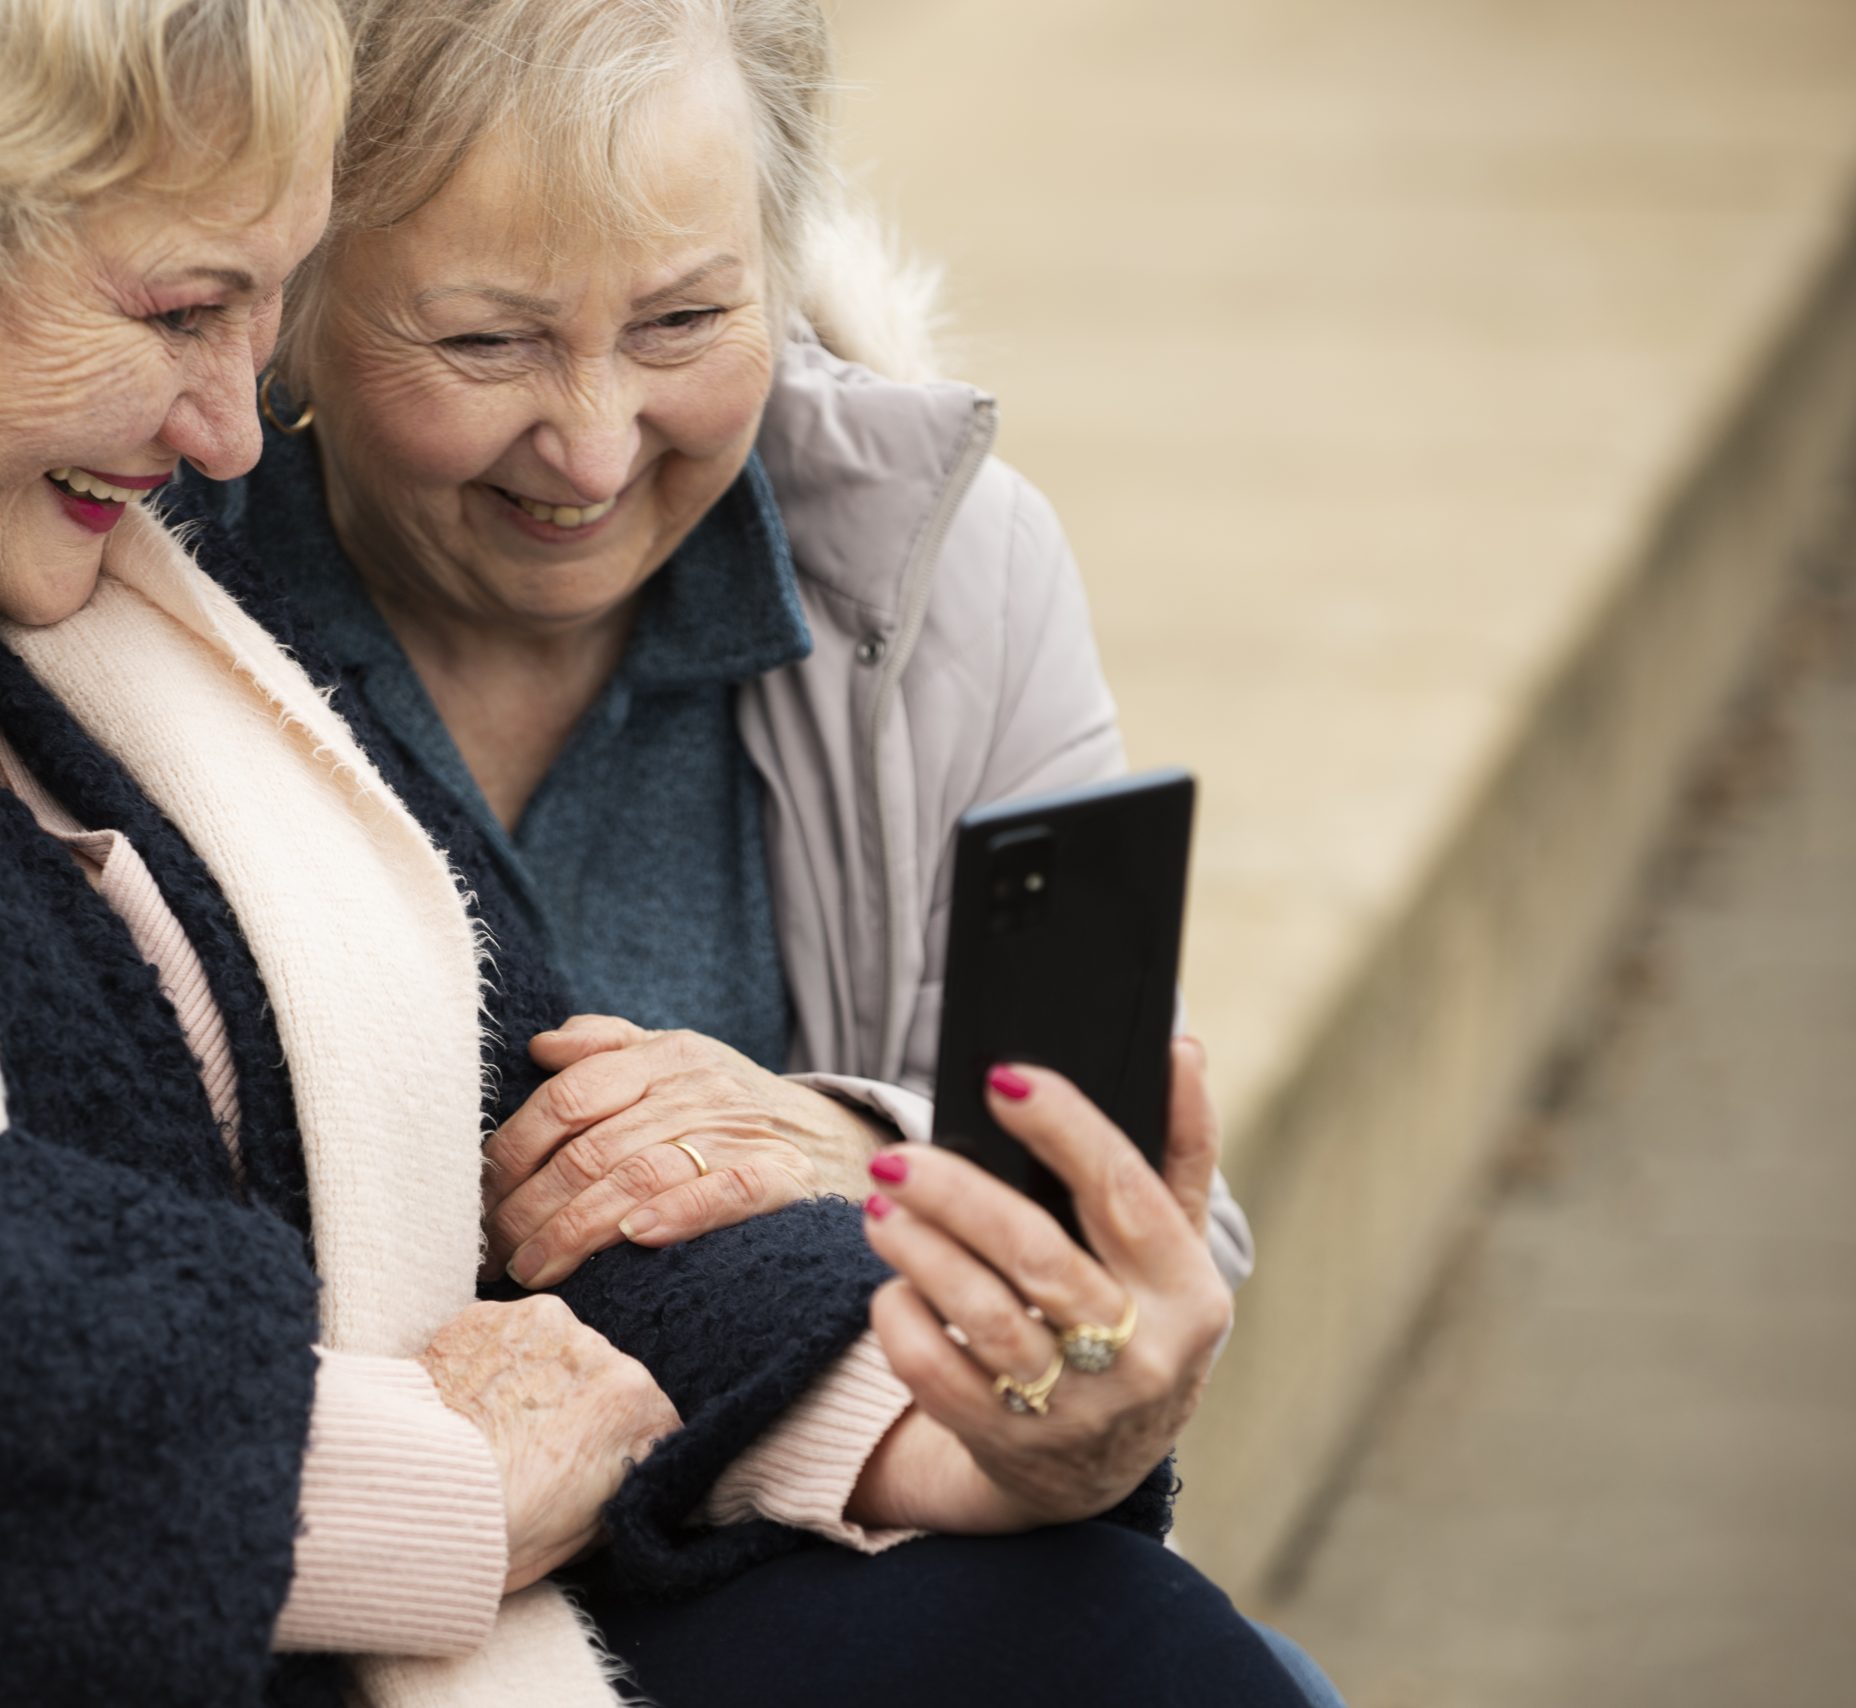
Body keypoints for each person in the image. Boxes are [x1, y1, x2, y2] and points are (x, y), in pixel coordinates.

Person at [0, 3, 1305, 1706]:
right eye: (185, 309)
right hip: (15, 1599)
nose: (235, 435)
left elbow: (530, 1132)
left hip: (291, 1602)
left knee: (1113, 1637)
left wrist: (932, 1412)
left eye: (253, 313)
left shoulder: (61, 558)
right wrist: (358, 1468)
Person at [161, 1, 1342, 1700]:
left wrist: (846, 1148)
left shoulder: (942, 571)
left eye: (686, 319)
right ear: (294, 300)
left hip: (819, 1518)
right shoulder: (137, 589)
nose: (591, 444)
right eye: (487, 344)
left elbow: (1143, 1223)